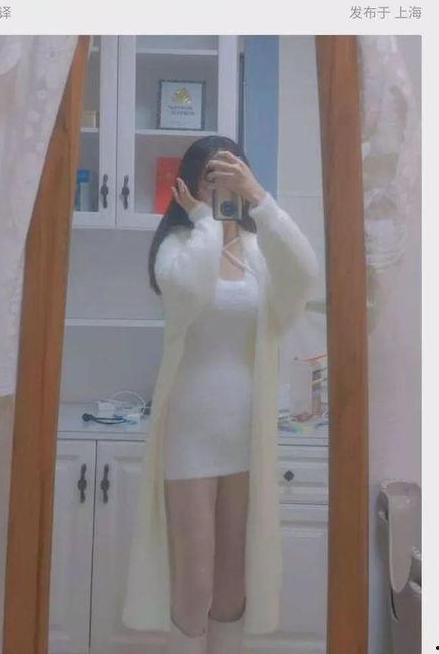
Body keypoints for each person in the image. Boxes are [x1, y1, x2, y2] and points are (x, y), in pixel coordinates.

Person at [122, 136, 319, 653]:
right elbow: (190, 290)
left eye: (233, 174)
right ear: (189, 185)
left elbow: (305, 273)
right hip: (189, 433)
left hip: (246, 433)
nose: (223, 185)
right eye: (213, 176)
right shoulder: (177, 247)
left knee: (233, 586)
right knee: (194, 583)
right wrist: (205, 221)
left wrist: (260, 199)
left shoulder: (258, 253)